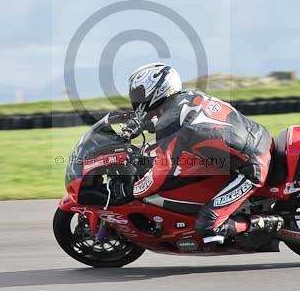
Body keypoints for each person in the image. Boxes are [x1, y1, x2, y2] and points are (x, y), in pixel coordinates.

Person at [117, 62, 280, 244]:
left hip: (252, 167)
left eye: (139, 93)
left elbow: (161, 173)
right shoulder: (186, 98)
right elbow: (183, 130)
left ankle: (264, 223)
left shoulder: (169, 121)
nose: (136, 99)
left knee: (208, 226)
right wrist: (138, 125)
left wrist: (133, 191)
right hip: (259, 139)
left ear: (156, 91)